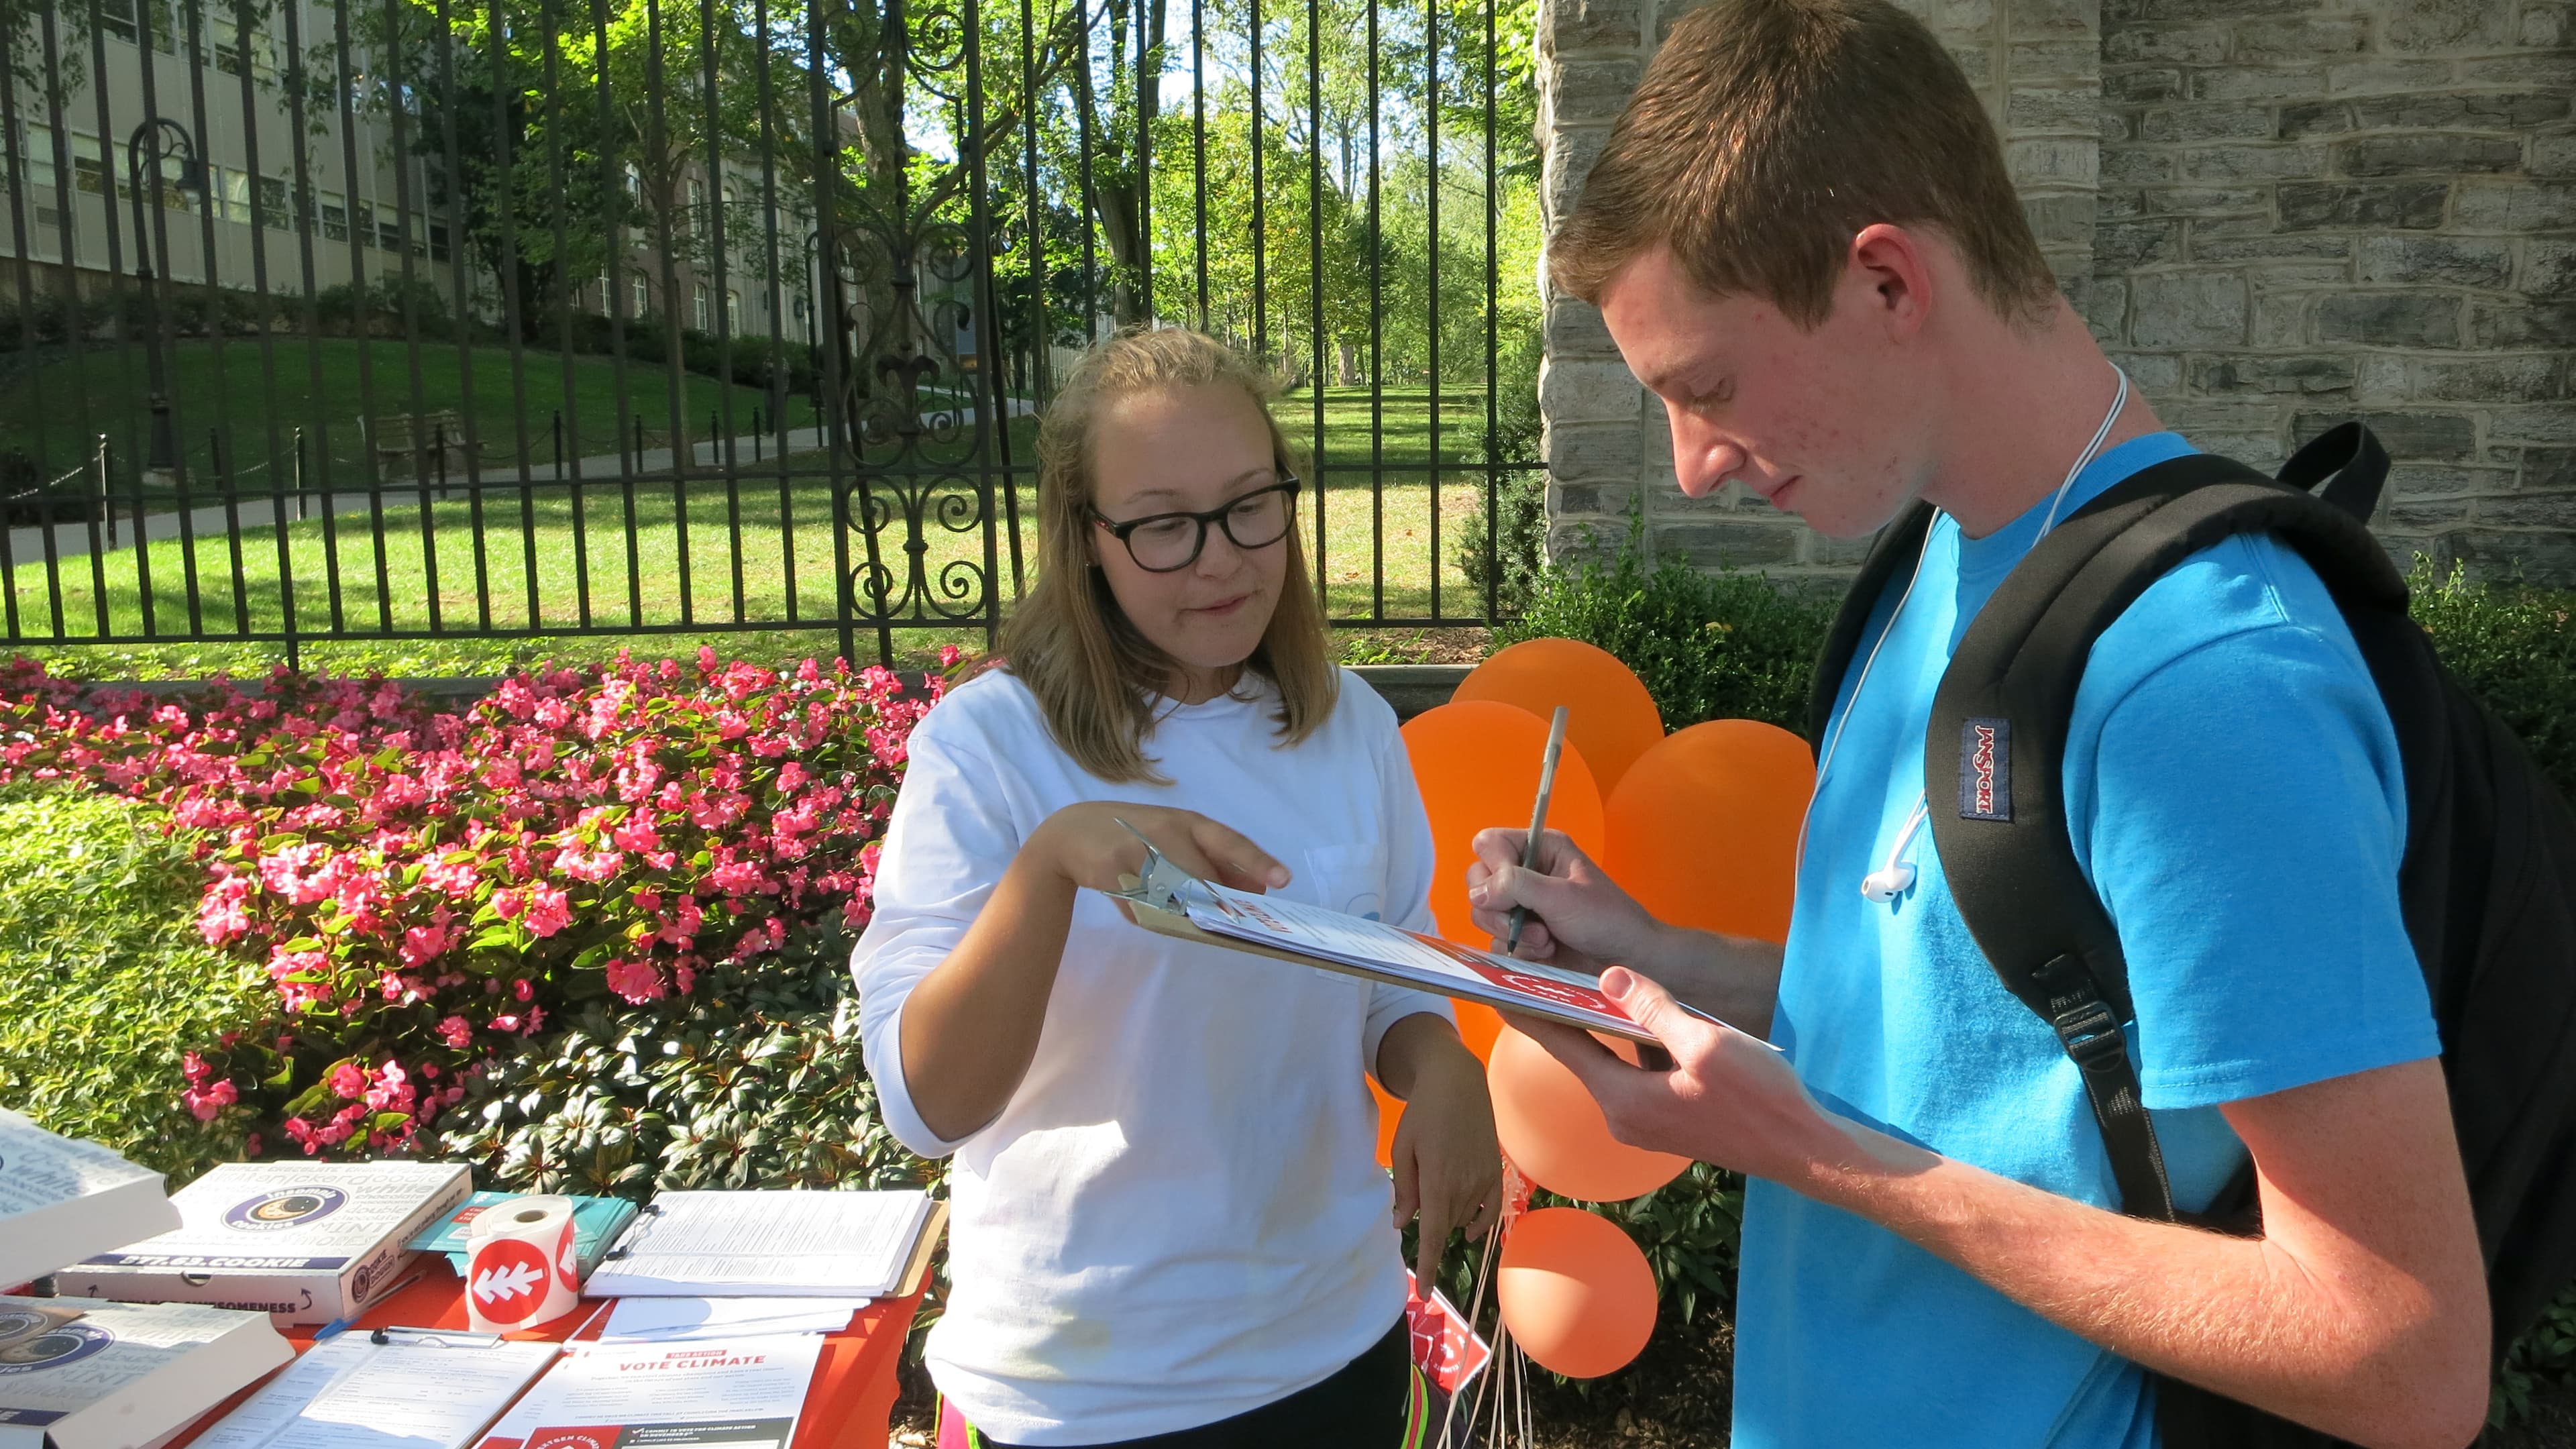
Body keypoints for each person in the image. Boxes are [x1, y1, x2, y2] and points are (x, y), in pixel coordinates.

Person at [1462, 1, 2491, 1446]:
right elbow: (1975, 1040)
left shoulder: (2203, 682)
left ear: (1886, 281)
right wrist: (1656, 959)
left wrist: (1818, 1156)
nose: (1692, 468)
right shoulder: (1930, 560)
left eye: (1707, 388)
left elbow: (2406, 1359)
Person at [851, 327, 1500, 1448]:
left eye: (1253, 504)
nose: (1222, 559)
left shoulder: (1348, 725)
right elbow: (929, 1105)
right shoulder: (986, 749)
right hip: (1076, 1391)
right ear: (1086, 539)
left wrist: (1439, 1059)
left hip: (1331, 1350)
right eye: (1162, 526)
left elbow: (1392, 967)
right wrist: (1054, 863)